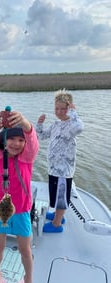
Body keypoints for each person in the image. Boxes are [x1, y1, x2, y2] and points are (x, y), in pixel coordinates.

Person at [0, 109, 39, 283]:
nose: (17, 143)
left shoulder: (27, 159)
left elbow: (33, 142)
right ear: (5, 141)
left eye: (21, 140)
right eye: (12, 139)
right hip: (2, 212)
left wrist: (24, 122)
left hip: (22, 212)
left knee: (25, 250)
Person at [36, 89, 84, 233]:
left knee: (61, 197)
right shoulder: (56, 124)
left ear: (69, 109)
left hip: (63, 171)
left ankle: (57, 224)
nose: (59, 111)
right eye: (57, 108)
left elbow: (80, 127)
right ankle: (58, 216)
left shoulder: (72, 124)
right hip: (53, 169)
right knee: (56, 196)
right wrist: (39, 124)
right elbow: (42, 136)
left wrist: (74, 113)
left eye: (63, 108)